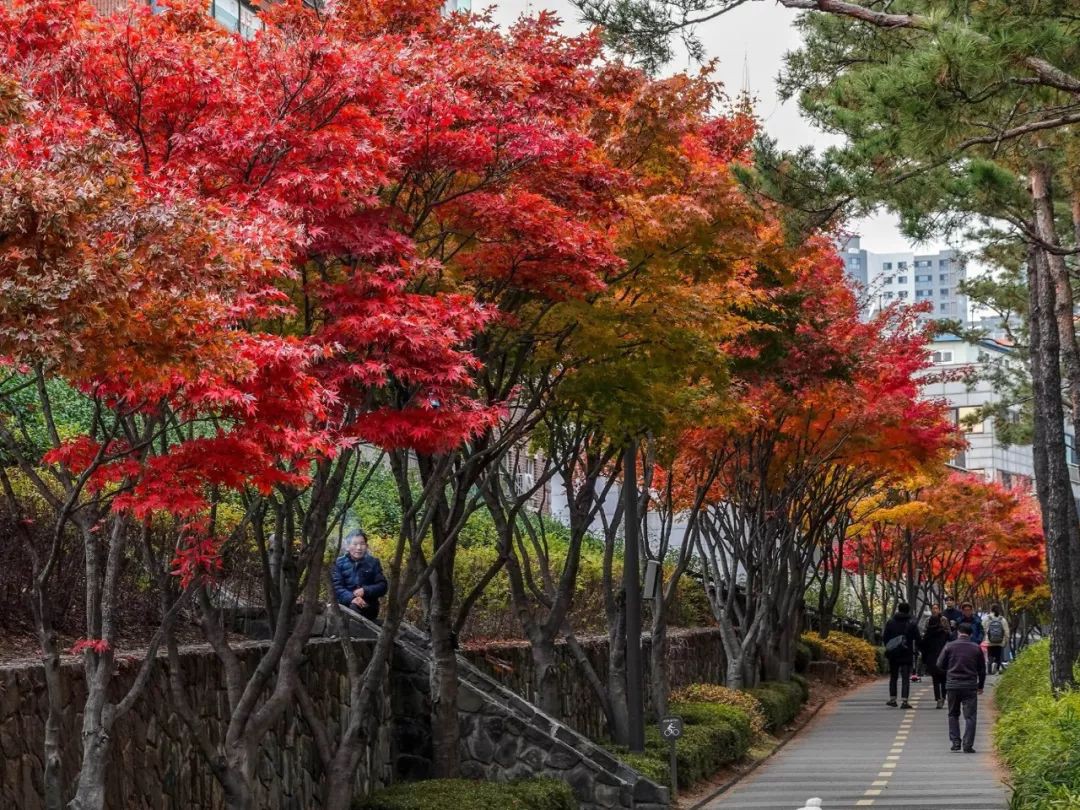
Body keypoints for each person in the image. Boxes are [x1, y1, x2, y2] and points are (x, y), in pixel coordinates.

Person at [937, 622, 986, 752]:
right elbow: (982, 670)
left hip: (952, 684)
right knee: (970, 716)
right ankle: (968, 744)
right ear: (971, 634)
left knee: (953, 714)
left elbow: (939, 664)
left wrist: (949, 671)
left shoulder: (949, 646)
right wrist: (980, 685)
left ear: (958, 632)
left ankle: (955, 742)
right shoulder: (976, 648)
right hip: (970, 685)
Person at [331, 530, 388, 621]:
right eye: (355, 544)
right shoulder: (339, 563)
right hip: (345, 605)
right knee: (351, 607)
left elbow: (382, 586)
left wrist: (365, 590)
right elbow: (336, 588)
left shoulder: (373, 562)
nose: (359, 548)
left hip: (368, 606)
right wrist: (352, 598)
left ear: (367, 546)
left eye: (362, 544)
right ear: (347, 546)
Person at [883, 602, 921, 709]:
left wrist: (890, 647)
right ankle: (904, 701)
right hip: (906, 653)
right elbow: (918, 638)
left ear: (898, 609)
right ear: (908, 610)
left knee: (893, 677)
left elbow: (885, 637)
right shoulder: (911, 623)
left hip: (893, 654)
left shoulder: (890, 622)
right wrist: (918, 649)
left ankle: (892, 699)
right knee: (905, 678)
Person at [920, 613, 951, 709]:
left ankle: (938, 698)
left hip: (931, 660)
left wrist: (925, 660)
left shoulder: (927, 635)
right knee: (944, 679)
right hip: (943, 659)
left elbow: (923, 648)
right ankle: (943, 697)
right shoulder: (944, 633)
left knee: (935, 680)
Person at [983, 604, 1010, 675]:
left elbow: (982, 628)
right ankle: (997, 670)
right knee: (998, 656)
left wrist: (985, 638)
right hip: (1000, 641)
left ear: (991, 609)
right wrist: (1006, 640)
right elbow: (1006, 631)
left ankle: (989, 668)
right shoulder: (1002, 619)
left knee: (990, 655)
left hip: (990, 641)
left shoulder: (987, 618)